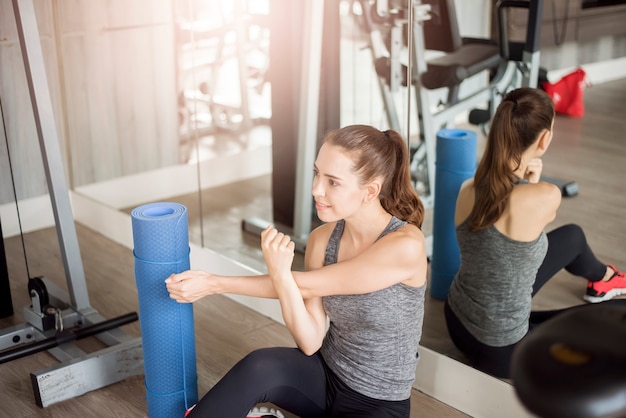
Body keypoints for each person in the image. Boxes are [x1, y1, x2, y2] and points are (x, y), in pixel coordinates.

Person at [166, 125, 428, 417]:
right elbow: (310, 340)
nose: (317, 189)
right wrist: (279, 276)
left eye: (333, 182)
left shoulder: (406, 245)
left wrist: (217, 283)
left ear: (370, 191)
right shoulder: (322, 240)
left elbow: (305, 285)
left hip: (379, 403)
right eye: (317, 173)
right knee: (260, 366)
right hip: (324, 377)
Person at [444, 87, 626, 379]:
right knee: (621, 312)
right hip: (502, 351)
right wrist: (533, 183)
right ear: (545, 139)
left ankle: (604, 279)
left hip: (457, 322)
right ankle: (606, 285)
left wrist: (528, 184)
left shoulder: (467, 189)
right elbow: (532, 220)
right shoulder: (546, 195)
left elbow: (516, 241)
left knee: (573, 237)